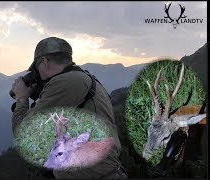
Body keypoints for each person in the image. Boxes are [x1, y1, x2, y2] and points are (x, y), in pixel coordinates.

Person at [11, 37, 127, 179]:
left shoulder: (64, 83)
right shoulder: (82, 78)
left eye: (37, 68)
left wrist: (22, 99)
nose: (38, 75)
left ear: (44, 62)